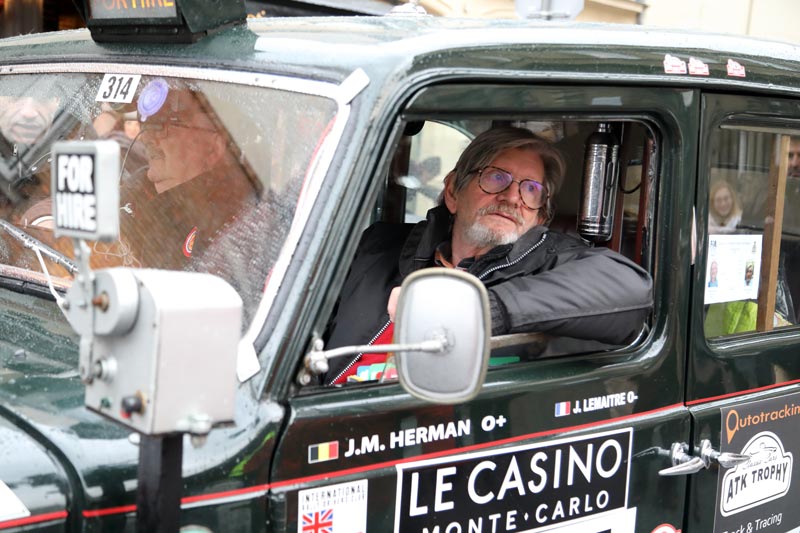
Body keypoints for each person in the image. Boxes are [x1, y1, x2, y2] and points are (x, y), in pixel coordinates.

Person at [323, 126, 653, 385]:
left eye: (531, 189)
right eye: (497, 178)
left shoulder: (549, 261)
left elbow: (631, 290)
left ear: (539, 217)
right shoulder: (379, 247)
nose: (513, 197)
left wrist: (474, 308)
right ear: (453, 191)